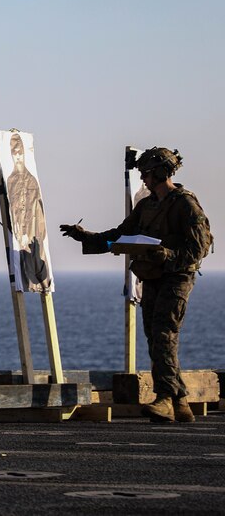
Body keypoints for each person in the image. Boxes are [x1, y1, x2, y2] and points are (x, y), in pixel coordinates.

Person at [60, 147, 212, 423]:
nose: (143, 178)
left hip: (176, 278)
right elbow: (120, 235)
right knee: (155, 338)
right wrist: (85, 237)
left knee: (164, 335)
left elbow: (199, 247)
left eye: (147, 173)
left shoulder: (185, 204)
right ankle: (179, 401)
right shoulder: (146, 206)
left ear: (161, 173)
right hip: (152, 277)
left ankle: (165, 398)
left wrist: (168, 255)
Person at [7, 132, 52, 292]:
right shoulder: (11, 180)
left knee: (38, 266)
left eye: (20, 152)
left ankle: (43, 286)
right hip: (20, 237)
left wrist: (36, 234)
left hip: (35, 235)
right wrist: (20, 233)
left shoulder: (31, 180)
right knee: (24, 268)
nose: (18, 156)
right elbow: (14, 211)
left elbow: (38, 210)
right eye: (15, 153)